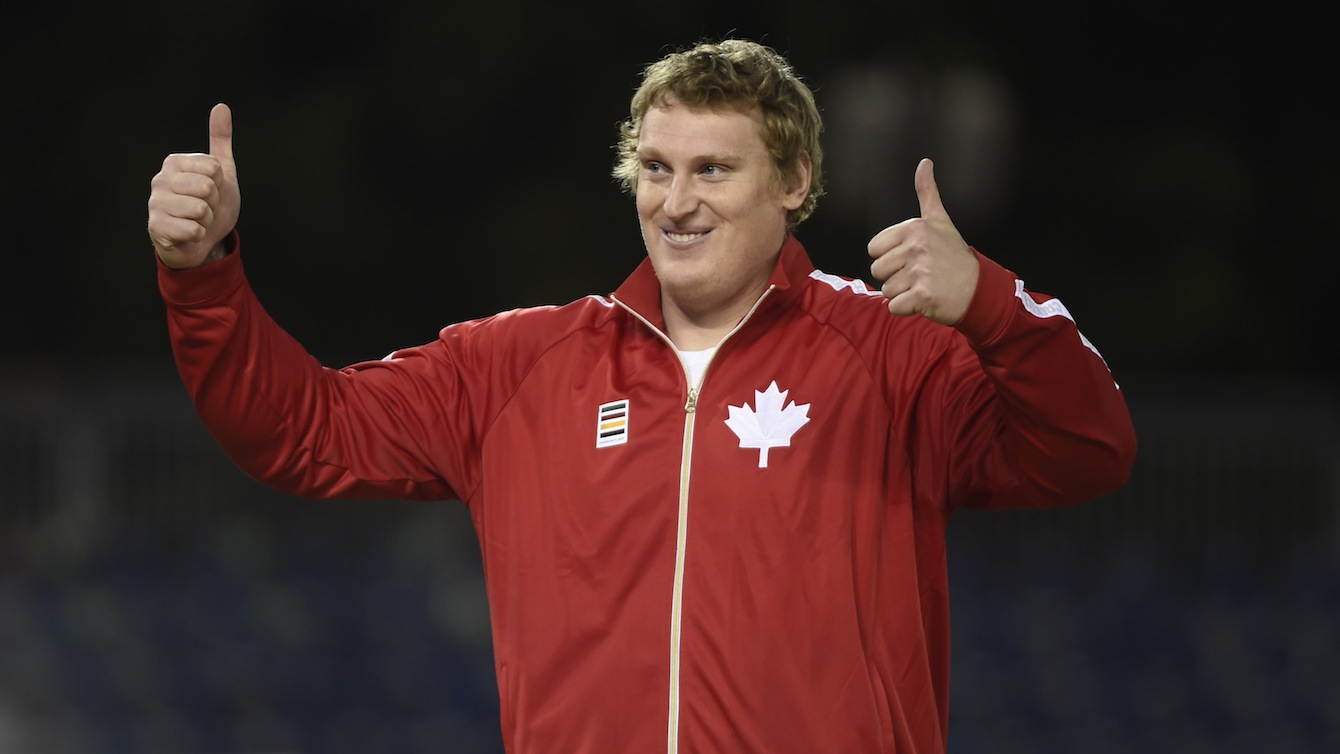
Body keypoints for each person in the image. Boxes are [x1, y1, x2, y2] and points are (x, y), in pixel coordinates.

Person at [147, 39, 1135, 754]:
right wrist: (203, 275)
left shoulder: (889, 358)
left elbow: (1089, 448)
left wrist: (991, 307)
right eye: (656, 169)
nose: (676, 200)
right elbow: (299, 430)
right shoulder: (522, 366)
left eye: (712, 169)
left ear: (792, 179)